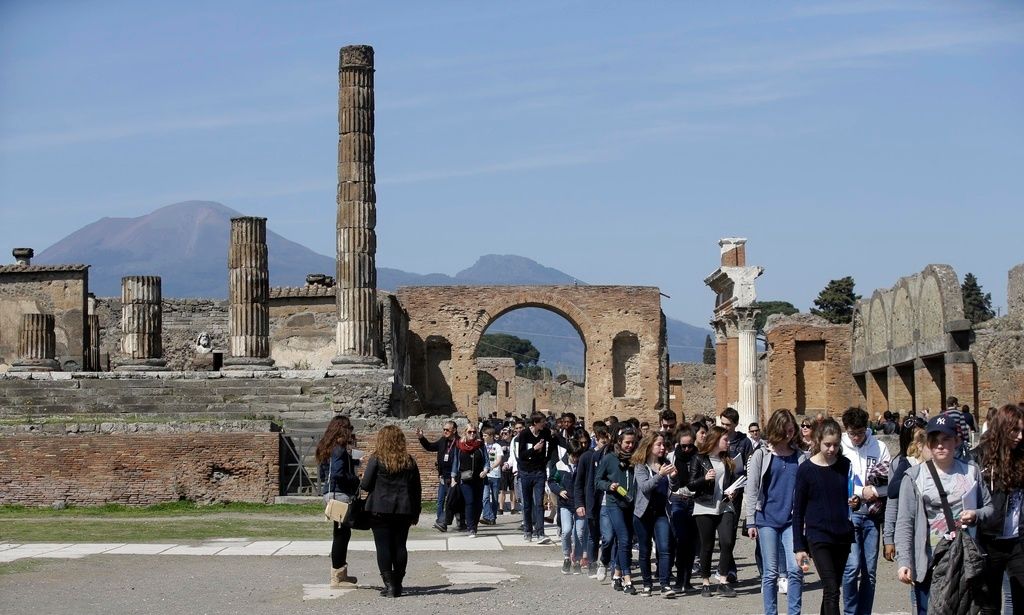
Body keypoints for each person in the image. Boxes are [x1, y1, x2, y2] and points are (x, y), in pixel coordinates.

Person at [895, 414, 993, 614]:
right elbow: (905, 522)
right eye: (934, 440)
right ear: (928, 444)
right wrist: (904, 561)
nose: (940, 445)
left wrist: (975, 514)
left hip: (965, 559)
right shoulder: (914, 477)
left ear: (956, 441)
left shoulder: (971, 471)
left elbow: (990, 508)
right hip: (930, 561)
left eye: (945, 439)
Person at [744, 408, 807, 615]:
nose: (790, 435)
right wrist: (751, 521)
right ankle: (770, 613)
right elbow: (751, 489)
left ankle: (793, 613)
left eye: (792, 431)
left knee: (796, 570)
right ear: (777, 430)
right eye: (786, 431)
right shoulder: (761, 454)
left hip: (792, 520)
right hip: (766, 519)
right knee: (770, 573)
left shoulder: (799, 457)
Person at [794, 418, 855, 615]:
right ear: (818, 440)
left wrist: (856, 501)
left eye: (836, 445)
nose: (831, 449)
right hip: (818, 536)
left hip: (842, 535)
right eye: (827, 444)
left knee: (833, 588)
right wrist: (799, 547)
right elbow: (798, 510)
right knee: (831, 589)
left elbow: (853, 493)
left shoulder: (845, 465)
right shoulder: (806, 470)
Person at [972, 404, 1024, 614]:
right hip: (989, 540)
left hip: (1018, 541)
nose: (1020, 436)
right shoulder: (979, 458)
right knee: (989, 604)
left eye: (1023, 431)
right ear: (1002, 428)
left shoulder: (1021, 455)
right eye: (1015, 431)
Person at [359, 425, 422, 598]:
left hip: (379, 509)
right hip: (404, 509)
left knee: (383, 547)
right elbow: (417, 489)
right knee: (400, 546)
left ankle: (389, 585)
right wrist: (416, 511)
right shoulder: (409, 461)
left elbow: (365, 485)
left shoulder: (376, 459)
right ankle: (398, 583)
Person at [841, 407, 891, 615]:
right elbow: (838, 482)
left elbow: (891, 483)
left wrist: (875, 490)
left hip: (872, 515)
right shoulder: (841, 448)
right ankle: (851, 612)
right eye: (852, 433)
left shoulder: (879, 447)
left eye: (860, 433)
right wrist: (862, 491)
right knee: (851, 568)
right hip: (849, 514)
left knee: (869, 571)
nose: (856, 438)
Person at [689, 425, 739, 598]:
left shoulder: (728, 460)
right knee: (707, 545)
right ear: (716, 440)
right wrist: (705, 479)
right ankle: (705, 582)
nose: (728, 442)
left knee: (727, 542)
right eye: (725, 439)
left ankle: (723, 581)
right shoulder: (699, 458)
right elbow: (691, 484)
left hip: (725, 505)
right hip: (705, 506)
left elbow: (734, 482)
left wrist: (734, 492)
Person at [594, 426, 639, 594]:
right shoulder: (609, 459)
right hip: (614, 503)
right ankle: (627, 579)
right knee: (624, 539)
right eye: (627, 443)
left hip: (631, 505)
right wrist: (609, 485)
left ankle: (616, 575)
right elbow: (597, 481)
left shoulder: (636, 458)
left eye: (633, 443)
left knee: (624, 541)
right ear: (619, 442)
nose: (630, 446)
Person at [317, 416, 360, 588]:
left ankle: (341, 573)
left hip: (331, 492)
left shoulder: (326, 447)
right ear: (342, 429)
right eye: (349, 428)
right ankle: (337, 577)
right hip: (340, 494)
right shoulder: (339, 449)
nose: (351, 432)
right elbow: (337, 473)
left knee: (342, 534)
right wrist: (355, 480)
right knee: (341, 535)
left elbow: (323, 474)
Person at [633, 431, 676, 596]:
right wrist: (660, 475)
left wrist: (674, 477)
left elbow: (675, 487)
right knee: (645, 549)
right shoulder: (640, 466)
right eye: (659, 444)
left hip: (661, 512)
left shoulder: (666, 463)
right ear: (649, 446)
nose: (662, 448)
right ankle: (647, 584)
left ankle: (665, 584)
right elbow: (644, 487)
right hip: (643, 513)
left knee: (665, 548)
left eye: (663, 444)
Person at [720, 407, 753, 584]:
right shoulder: (717, 437)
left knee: (730, 532)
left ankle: (729, 569)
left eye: (728, 425)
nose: (725, 427)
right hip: (718, 490)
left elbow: (750, 466)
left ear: (735, 424)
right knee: (722, 534)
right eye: (722, 423)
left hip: (736, 491)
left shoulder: (744, 441)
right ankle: (725, 567)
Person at [576, 426, 611, 580]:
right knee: (592, 534)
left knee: (607, 534)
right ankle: (591, 562)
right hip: (591, 499)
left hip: (606, 500)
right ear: (596, 440)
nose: (604, 444)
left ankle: (605, 563)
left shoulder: (610, 456)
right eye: (602, 441)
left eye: (607, 441)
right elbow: (579, 482)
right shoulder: (587, 457)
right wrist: (580, 503)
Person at [668, 425, 699, 594]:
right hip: (678, 500)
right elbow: (669, 483)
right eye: (683, 446)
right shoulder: (671, 457)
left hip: (695, 501)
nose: (686, 449)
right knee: (681, 541)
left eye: (689, 446)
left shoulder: (699, 457)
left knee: (692, 542)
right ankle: (679, 578)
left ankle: (687, 581)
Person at [416, 421, 459, 532]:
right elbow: (430, 447)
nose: (445, 431)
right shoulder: (442, 441)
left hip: (454, 478)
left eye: (447, 430)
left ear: (454, 430)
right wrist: (421, 437)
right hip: (443, 477)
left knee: (451, 501)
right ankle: (439, 521)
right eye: (444, 429)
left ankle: (454, 520)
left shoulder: (459, 442)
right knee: (440, 500)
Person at [551, 441, 586, 575]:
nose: (576, 459)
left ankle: (576, 559)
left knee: (579, 533)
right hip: (565, 504)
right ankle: (566, 556)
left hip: (580, 503)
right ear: (569, 454)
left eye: (578, 456)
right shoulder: (560, 465)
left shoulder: (582, 466)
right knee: (566, 531)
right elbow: (552, 480)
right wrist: (559, 490)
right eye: (574, 456)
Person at [518, 413, 553, 543]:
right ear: (535, 423)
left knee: (539, 504)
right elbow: (521, 454)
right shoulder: (524, 434)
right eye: (542, 422)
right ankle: (528, 531)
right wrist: (534, 449)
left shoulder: (545, 432)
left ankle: (540, 533)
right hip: (526, 472)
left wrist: (546, 458)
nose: (544, 424)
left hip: (539, 472)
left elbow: (552, 443)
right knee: (527, 504)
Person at [451, 424, 488, 537]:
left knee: (478, 504)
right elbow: (456, 462)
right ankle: (470, 527)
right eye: (469, 432)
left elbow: (486, 460)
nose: (472, 434)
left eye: (474, 432)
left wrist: (486, 470)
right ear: (465, 433)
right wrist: (453, 477)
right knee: (470, 502)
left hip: (479, 478)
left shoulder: (480, 445)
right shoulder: (459, 445)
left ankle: (474, 524)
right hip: (465, 479)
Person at [480, 426, 504, 525]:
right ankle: (487, 516)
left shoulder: (497, 446)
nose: (483, 437)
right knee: (485, 497)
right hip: (485, 475)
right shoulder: (482, 446)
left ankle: (493, 518)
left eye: (485, 435)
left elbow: (499, 460)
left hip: (495, 475)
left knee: (494, 498)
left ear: (491, 436)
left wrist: (491, 467)